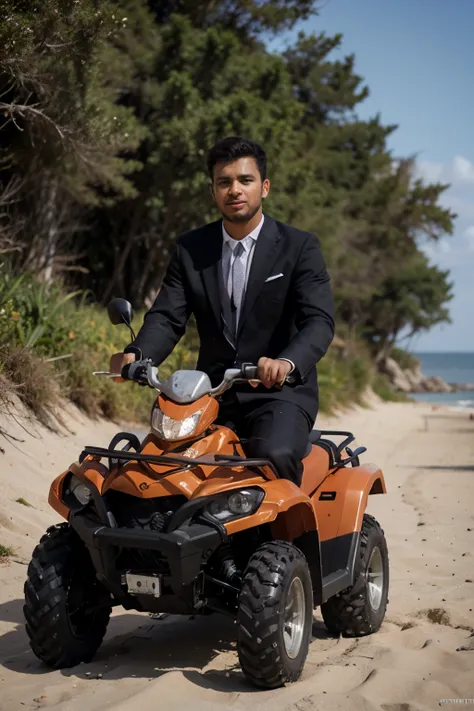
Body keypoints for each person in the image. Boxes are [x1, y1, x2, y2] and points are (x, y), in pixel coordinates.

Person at [110, 136, 335, 485]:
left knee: (274, 456)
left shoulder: (299, 246)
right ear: (213, 191)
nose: (235, 190)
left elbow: (318, 321)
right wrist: (136, 353)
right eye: (224, 182)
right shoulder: (191, 249)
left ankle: (290, 541)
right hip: (211, 392)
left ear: (265, 187)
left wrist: (285, 363)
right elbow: (168, 316)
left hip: (279, 394)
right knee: (159, 462)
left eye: (245, 180)